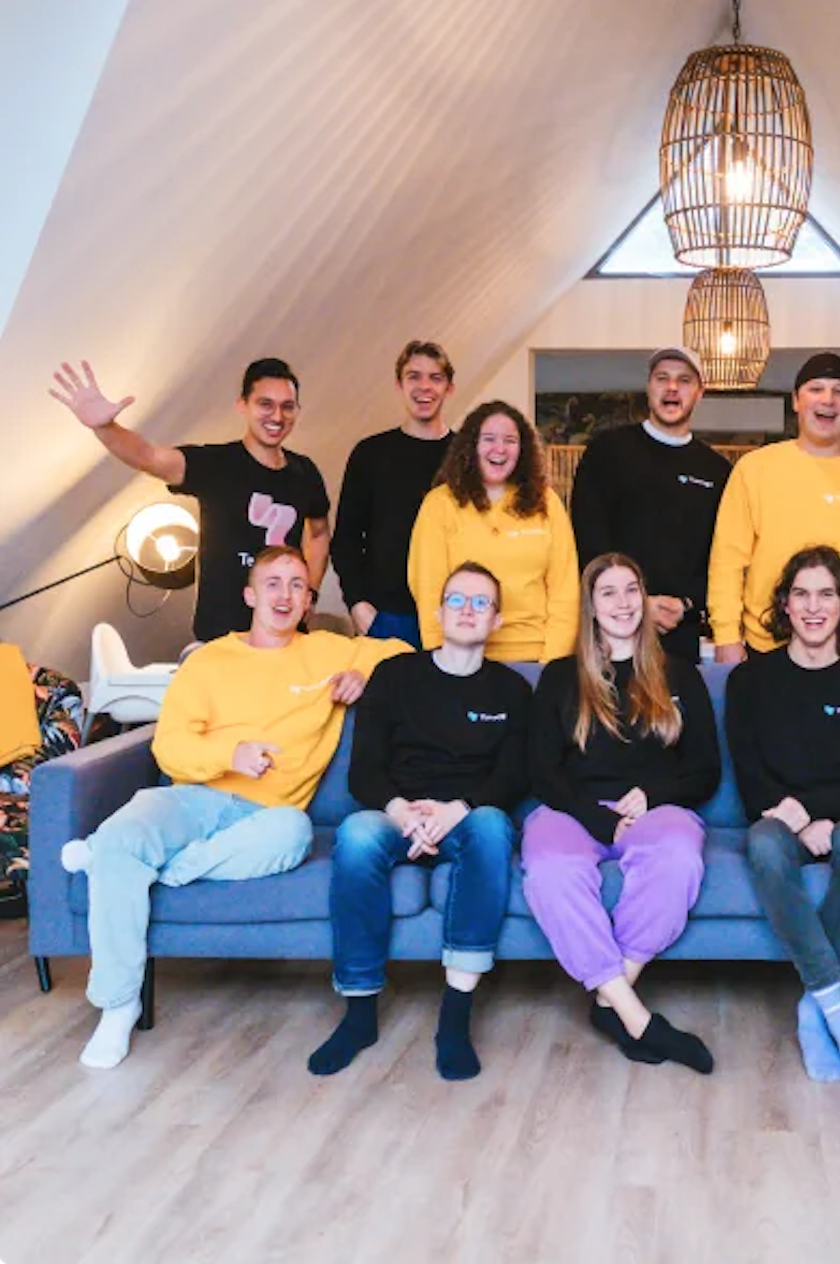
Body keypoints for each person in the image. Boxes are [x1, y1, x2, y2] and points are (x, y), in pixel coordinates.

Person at [59, 547, 406, 1070]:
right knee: (131, 830)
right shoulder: (210, 661)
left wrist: (366, 673)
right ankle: (118, 1004)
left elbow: (401, 652)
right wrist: (230, 755)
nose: (285, 596)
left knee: (292, 833)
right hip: (193, 801)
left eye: (297, 586)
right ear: (250, 594)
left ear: (309, 600)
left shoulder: (329, 651)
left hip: (268, 821)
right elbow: (168, 747)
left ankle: (124, 861)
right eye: (273, 583)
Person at [308, 561, 529, 1081]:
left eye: (481, 602)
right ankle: (359, 1013)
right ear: (438, 611)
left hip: (467, 815)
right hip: (398, 812)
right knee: (357, 835)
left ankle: (455, 1018)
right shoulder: (396, 674)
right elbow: (364, 771)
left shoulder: (513, 691)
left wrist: (455, 811)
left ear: (497, 620)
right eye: (457, 599)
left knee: (494, 828)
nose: (468, 610)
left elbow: (516, 775)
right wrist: (402, 813)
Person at [523, 553, 720, 1072]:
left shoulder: (681, 675)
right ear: (590, 605)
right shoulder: (560, 677)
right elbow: (542, 773)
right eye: (608, 592)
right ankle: (635, 1019)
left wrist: (653, 793)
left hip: (657, 813)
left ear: (646, 597)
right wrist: (599, 818)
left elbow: (705, 771)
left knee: (678, 857)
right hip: (573, 810)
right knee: (549, 870)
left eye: (631, 589)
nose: (623, 602)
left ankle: (611, 999)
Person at [726, 545, 840, 1094]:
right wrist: (799, 821)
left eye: (826, 594)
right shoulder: (749, 683)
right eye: (801, 594)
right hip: (781, 822)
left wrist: (820, 811)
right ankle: (836, 1012)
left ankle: (812, 1006)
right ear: (784, 605)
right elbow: (754, 782)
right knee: (763, 844)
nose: (813, 607)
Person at [49, 357, 330, 644]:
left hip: (286, 636)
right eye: (265, 404)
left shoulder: (304, 472)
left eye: (287, 406)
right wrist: (105, 427)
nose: (277, 416)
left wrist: (310, 591)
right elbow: (149, 456)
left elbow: (319, 533)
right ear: (242, 405)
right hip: (221, 635)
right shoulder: (215, 464)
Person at [708, 352, 840, 663]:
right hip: (769, 648)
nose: (828, 400)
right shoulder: (753, 469)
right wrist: (726, 636)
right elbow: (727, 562)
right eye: (816, 389)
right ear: (796, 400)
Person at [570, 347, 731, 661]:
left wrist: (686, 604)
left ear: (700, 392)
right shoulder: (606, 452)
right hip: (609, 634)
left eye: (684, 380)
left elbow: (719, 556)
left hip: (679, 636)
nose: (672, 388)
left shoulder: (717, 471)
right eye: (662, 378)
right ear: (649, 387)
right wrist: (636, 602)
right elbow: (587, 538)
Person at [407, 400, 579, 661]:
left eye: (510, 440)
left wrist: (553, 665)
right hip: (463, 657)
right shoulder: (439, 504)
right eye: (489, 439)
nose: (499, 449)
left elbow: (565, 591)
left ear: (523, 449)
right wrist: (442, 659)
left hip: (535, 657)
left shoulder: (547, 503)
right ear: (471, 446)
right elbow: (429, 591)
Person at [331, 340, 456, 646]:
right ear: (399, 384)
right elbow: (346, 538)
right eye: (414, 376)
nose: (424, 387)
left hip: (453, 615)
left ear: (449, 388)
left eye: (435, 378)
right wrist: (358, 604)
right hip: (386, 616)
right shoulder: (370, 453)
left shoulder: (466, 455)